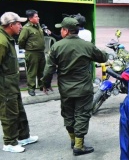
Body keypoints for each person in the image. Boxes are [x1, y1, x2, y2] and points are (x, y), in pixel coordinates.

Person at [41, 17, 108, 156]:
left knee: (68, 114)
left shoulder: (56, 46)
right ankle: (79, 145)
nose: (60, 31)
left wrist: (45, 84)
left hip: (65, 89)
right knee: (82, 115)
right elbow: (102, 57)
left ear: (66, 31)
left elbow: (49, 69)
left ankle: (73, 140)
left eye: (61, 29)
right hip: (83, 89)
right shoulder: (87, 45)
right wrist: (106, 53)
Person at [0, 12, 38, 153]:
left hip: (11, 84)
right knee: (9, 113)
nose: (21, 26)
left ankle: (23, 137)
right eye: (18, 23)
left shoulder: (7, 38)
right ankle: (9, 142)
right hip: (4, 86)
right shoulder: (1, 41)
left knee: (19, 111)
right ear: (10, 25)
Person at [18, 9, 46, 96]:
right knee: (32, 71)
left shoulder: (38, 26)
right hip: (32, 53)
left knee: (42, 70)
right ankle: (31, 88)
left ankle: (42, 85)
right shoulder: (26, 28)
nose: (38, 18)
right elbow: (21, 41)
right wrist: (28, 48)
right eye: (36, 16)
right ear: (30, 18)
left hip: (41, 52)